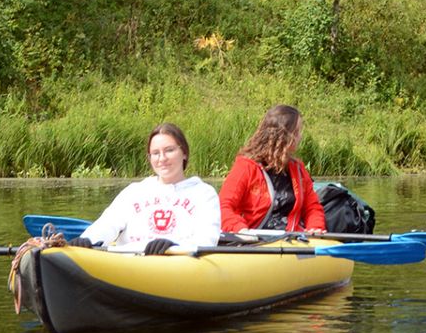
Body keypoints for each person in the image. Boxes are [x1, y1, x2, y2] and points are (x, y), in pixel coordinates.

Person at [76, 122, 221, 254]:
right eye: (156, 153)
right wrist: (88, 240)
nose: (162, 159)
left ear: (184, 153)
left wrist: (175, 246)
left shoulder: (204, 194)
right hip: (129, 263)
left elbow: (207, 240)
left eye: (169, 150)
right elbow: (108, 224)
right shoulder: (134, 191)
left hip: (179, 263)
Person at [219, 104, 326, 233]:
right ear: (283, 136)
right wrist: (239, 229)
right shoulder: (245, 167)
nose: (300, 137)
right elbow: (223, 206)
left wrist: (316, 227)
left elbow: (312, 208)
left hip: (291, 241)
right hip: (254, 241)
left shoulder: (299, 170)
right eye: (296, 132)